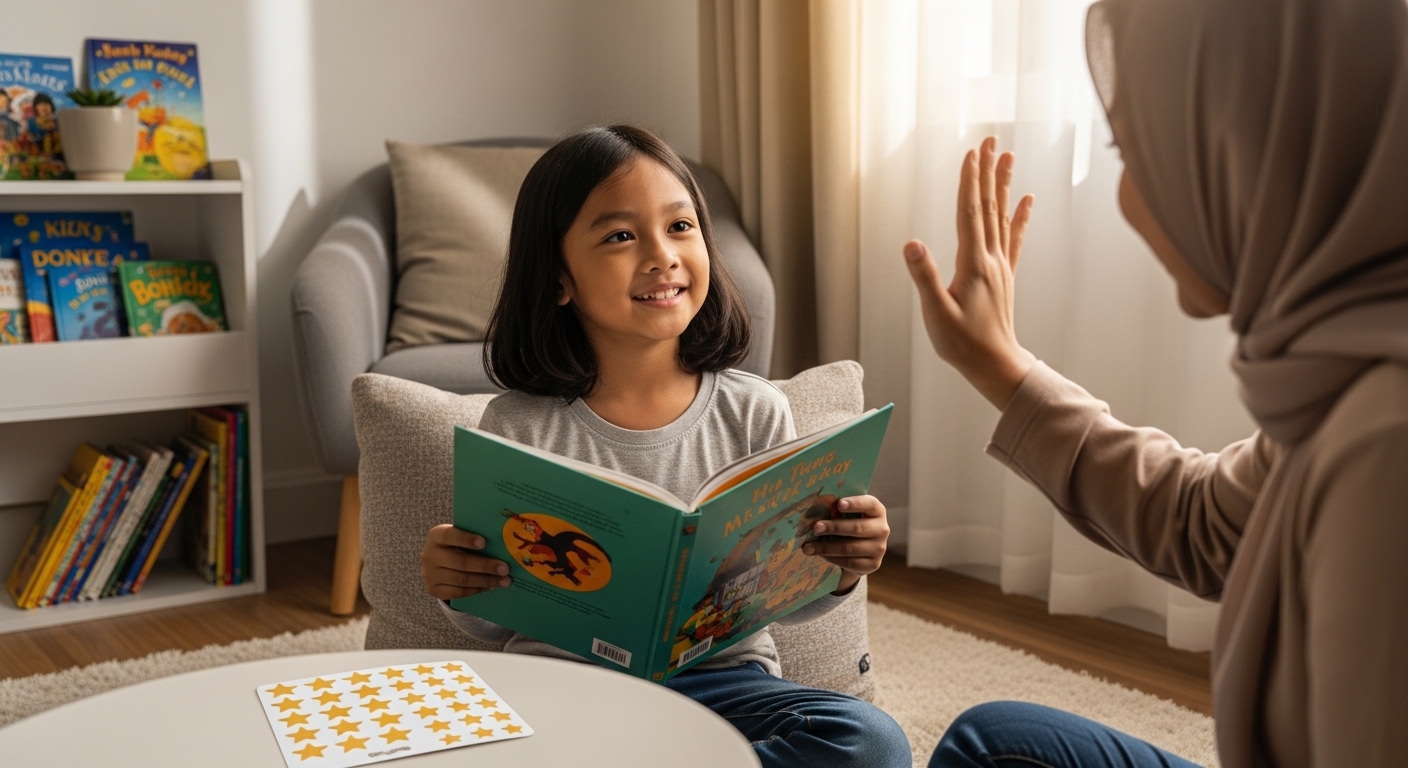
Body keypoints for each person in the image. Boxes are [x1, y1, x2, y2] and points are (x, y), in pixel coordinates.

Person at [906, 1, 1408, 766]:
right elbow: (1208, 525)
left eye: (1138, 154)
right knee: (998, 742)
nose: (1129, 198)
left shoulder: (1385, 444)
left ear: (1255, 154)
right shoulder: (1344, 369)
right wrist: (998, 364)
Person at [420, 125, 910, 768]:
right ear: (558, 278)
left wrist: (843, 565)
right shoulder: (516, 426)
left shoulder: (755, 410)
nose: (662, 255)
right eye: (621, 236)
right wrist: (455, 584)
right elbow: (494, 620)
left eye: (680, 227)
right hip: (567, 694)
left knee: (872, 742)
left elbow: (791, 596)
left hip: (727, 686)